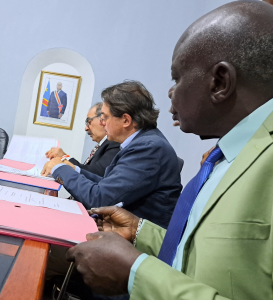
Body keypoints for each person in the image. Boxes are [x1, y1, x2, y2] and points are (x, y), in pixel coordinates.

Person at [64, 1, 273, 299]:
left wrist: (137, 274)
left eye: (177, 77)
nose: (170, 92)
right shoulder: (225, 155)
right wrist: (141, 232)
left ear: (219, 82)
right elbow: (200, 256)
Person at [42, 80, 182, 229]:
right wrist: (72, 168)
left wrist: (59, 169)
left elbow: (99, 198)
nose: (102, 123)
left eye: (105, 117)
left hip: (135, 246)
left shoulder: (148, 148)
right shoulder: (142, 142)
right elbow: (106, 184)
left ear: (126, 120)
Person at [46, 102, 120, 177]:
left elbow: (95, 174)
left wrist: (65, 157)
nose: (86, 128)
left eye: (89, 122)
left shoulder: (115, 143)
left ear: (102, 119)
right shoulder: (104, 144)